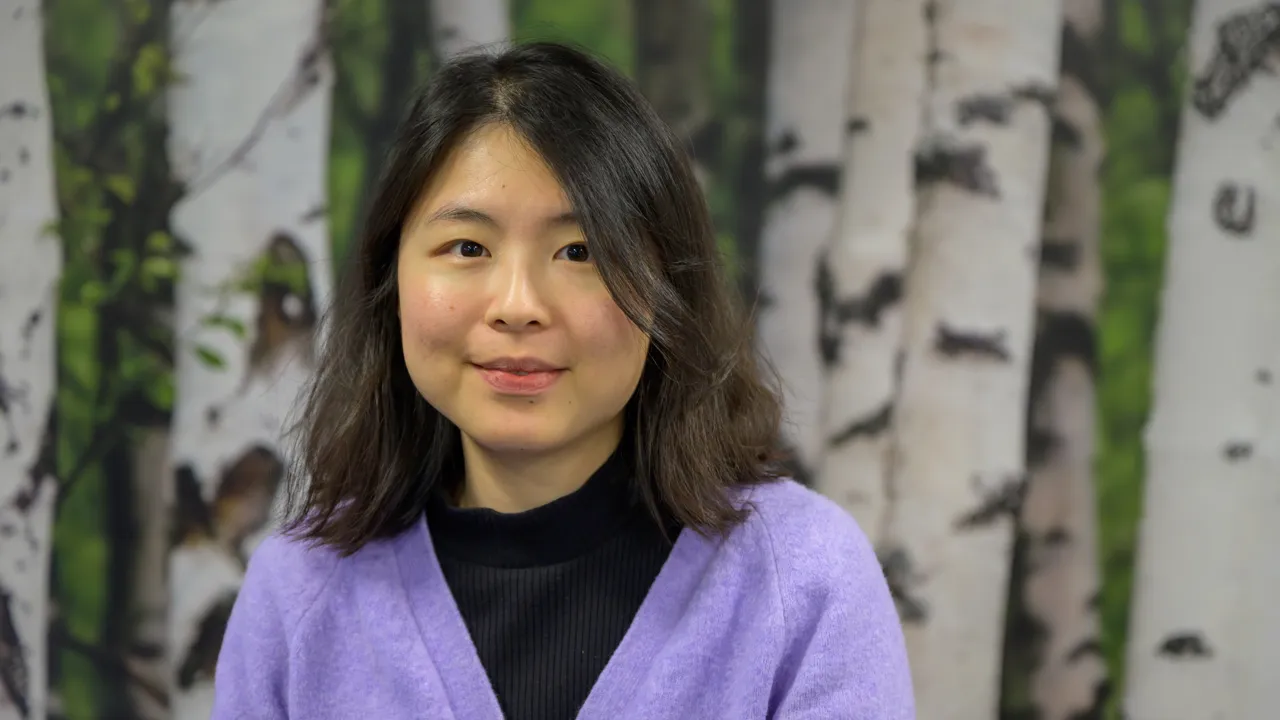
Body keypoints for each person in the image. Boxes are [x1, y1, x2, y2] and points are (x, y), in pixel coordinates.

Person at [211, 40, 914, 720]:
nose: (518, 305)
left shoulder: (802, 577)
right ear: (389, 277)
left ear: (665, 287)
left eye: (579, 251)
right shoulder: (300, 594)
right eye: (467, 247)